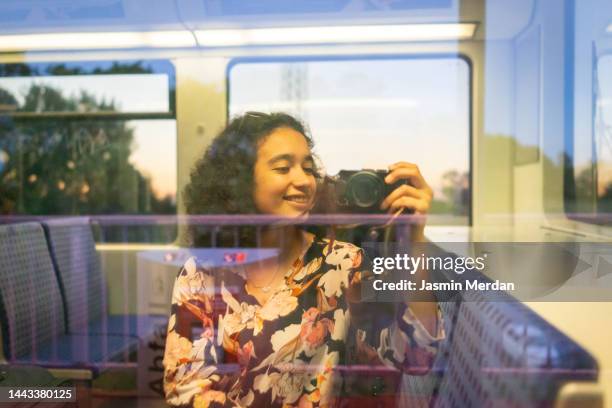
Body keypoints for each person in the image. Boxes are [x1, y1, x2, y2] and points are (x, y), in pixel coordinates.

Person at [163, 112, 443, 407]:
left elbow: (415, 356)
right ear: (239, 182)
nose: (304, 180)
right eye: (284, 168)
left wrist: (414, 240)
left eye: (308, 168)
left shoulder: (343, 264)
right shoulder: (201, 272)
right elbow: (186, 390)